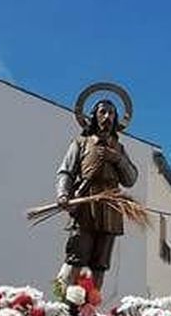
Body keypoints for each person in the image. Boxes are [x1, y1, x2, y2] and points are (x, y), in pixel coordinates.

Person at [55, 96, 138, 292]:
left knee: (100, 264)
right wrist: (63, 194)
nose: (107, 116)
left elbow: (130, 179)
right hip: (85, 202)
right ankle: (66, 301)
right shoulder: (81, 143)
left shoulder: (119, 149)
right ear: (94, 116)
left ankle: (91, 304)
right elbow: (66, 171)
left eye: (111, 113)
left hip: (109, 207)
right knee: (76, 256)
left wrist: (118, 160)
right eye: (103, 112)